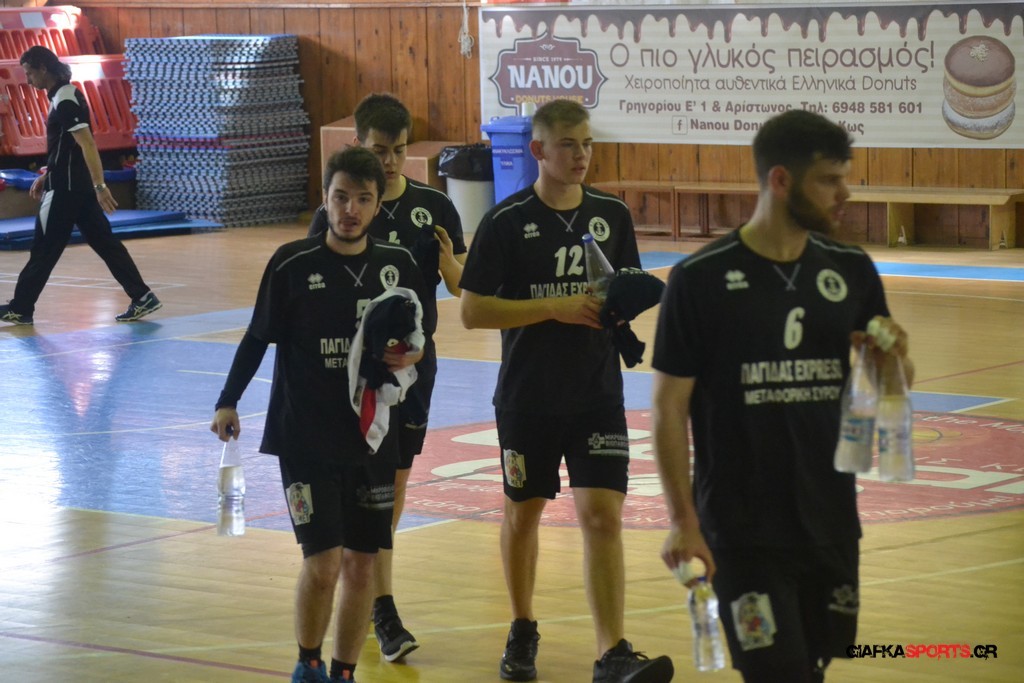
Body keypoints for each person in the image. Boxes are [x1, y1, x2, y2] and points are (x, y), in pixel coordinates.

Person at [651, 109, 914, 682]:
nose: (845, 194)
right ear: (780, 180)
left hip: (830, 518)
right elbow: (669, 410)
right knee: (778, 673)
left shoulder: (850, 268)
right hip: (741, 529)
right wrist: (681, 519)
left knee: (813, 666)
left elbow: (893, 384)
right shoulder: (699, 279)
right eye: (829, 180)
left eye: (845, 177)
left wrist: (891, 357)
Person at [459, 99, 674, 683]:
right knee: (523, 514)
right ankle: (522, 625)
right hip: (528, 396)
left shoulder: (611, 214)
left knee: (602, 517)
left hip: (596, 393)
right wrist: (552, 307)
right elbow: (473, 311)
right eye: (568, 145)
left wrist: (629, 308)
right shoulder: (505, 222)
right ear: (538, 151)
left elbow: (621, 288)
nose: (581, 155)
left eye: (587, 144)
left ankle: (612, 652)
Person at [210, 147, 427, 683]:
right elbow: (257, 336)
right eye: (340, 197)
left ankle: (343, 671)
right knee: (324, 563)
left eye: (363, 199)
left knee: (362, 565)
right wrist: (227, 399)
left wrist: (412, 355)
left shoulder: (397, 266)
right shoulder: (291, 263)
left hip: (372, 438)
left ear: (377, 206)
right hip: (305, 436)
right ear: (324, 198)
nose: (350, 209)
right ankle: (308, 663)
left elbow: (421, 337)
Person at [308, 92, 466, 662]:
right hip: (354, 376)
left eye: (400, 150)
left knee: (393, 487)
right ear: (358, 144)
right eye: (381, 150)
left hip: (414, 371)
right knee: (362, 484)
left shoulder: (433, 205)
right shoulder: (341, 210)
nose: (392, 162)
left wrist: (448, 262)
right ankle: (380, 603)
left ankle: (372, 585)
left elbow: (462, 286)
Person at [0, 46, 161, 326]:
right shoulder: (62, 95)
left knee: (44, 249)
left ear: (43, 69)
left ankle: (20, 307)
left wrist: (100, 186)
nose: (28, 80)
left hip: (66, 190)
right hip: (76, 187)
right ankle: (142, 296)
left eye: (30, 73)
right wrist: (47, 173)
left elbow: (87, 144)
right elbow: (67, 148)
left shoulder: (65, 99)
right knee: (105, 243)